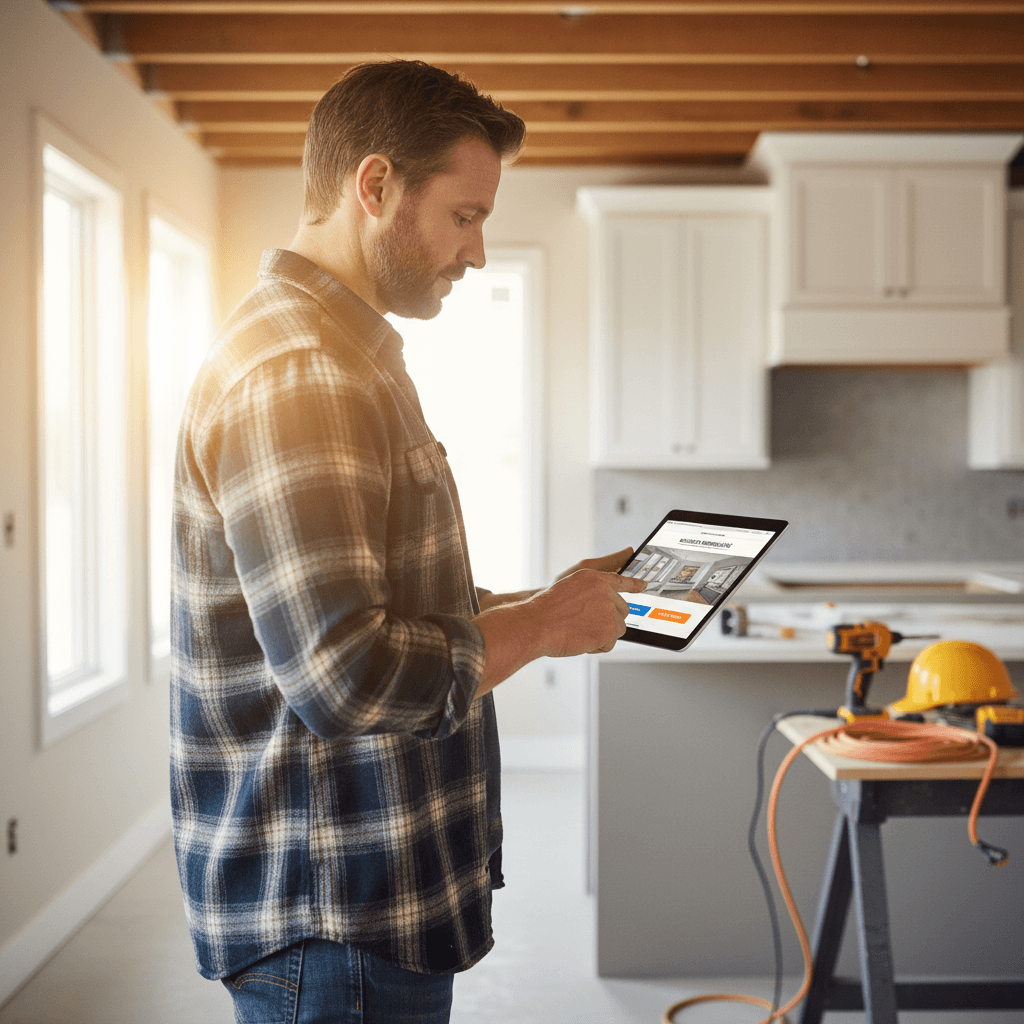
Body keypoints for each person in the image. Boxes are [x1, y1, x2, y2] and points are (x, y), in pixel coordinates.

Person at [170, 59, 646, 1024]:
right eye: (465, 215)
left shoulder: (342, 355)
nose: (476, 252)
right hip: (337, 915)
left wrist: (537, 600)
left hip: (361, 904)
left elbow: (376, 609)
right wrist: (551, 627)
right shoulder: (302, 371)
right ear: (376, 186)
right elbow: (348, 675)